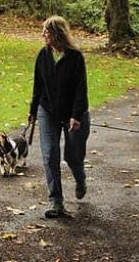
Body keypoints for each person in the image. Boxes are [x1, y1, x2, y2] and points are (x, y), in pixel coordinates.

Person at [27, 15, 90, 218]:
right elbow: (38, 85)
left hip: (74, 113)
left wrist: (76, 115)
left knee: (72, 156)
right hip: (48, 110)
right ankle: (56, 201)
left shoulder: (75, 57)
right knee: (49, 153)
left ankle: (80, 179)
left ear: (58, 34)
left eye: (47, 31)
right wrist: (33, 112)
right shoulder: (43, 55)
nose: (43, 34)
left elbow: (81, 89)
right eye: (43, 31)